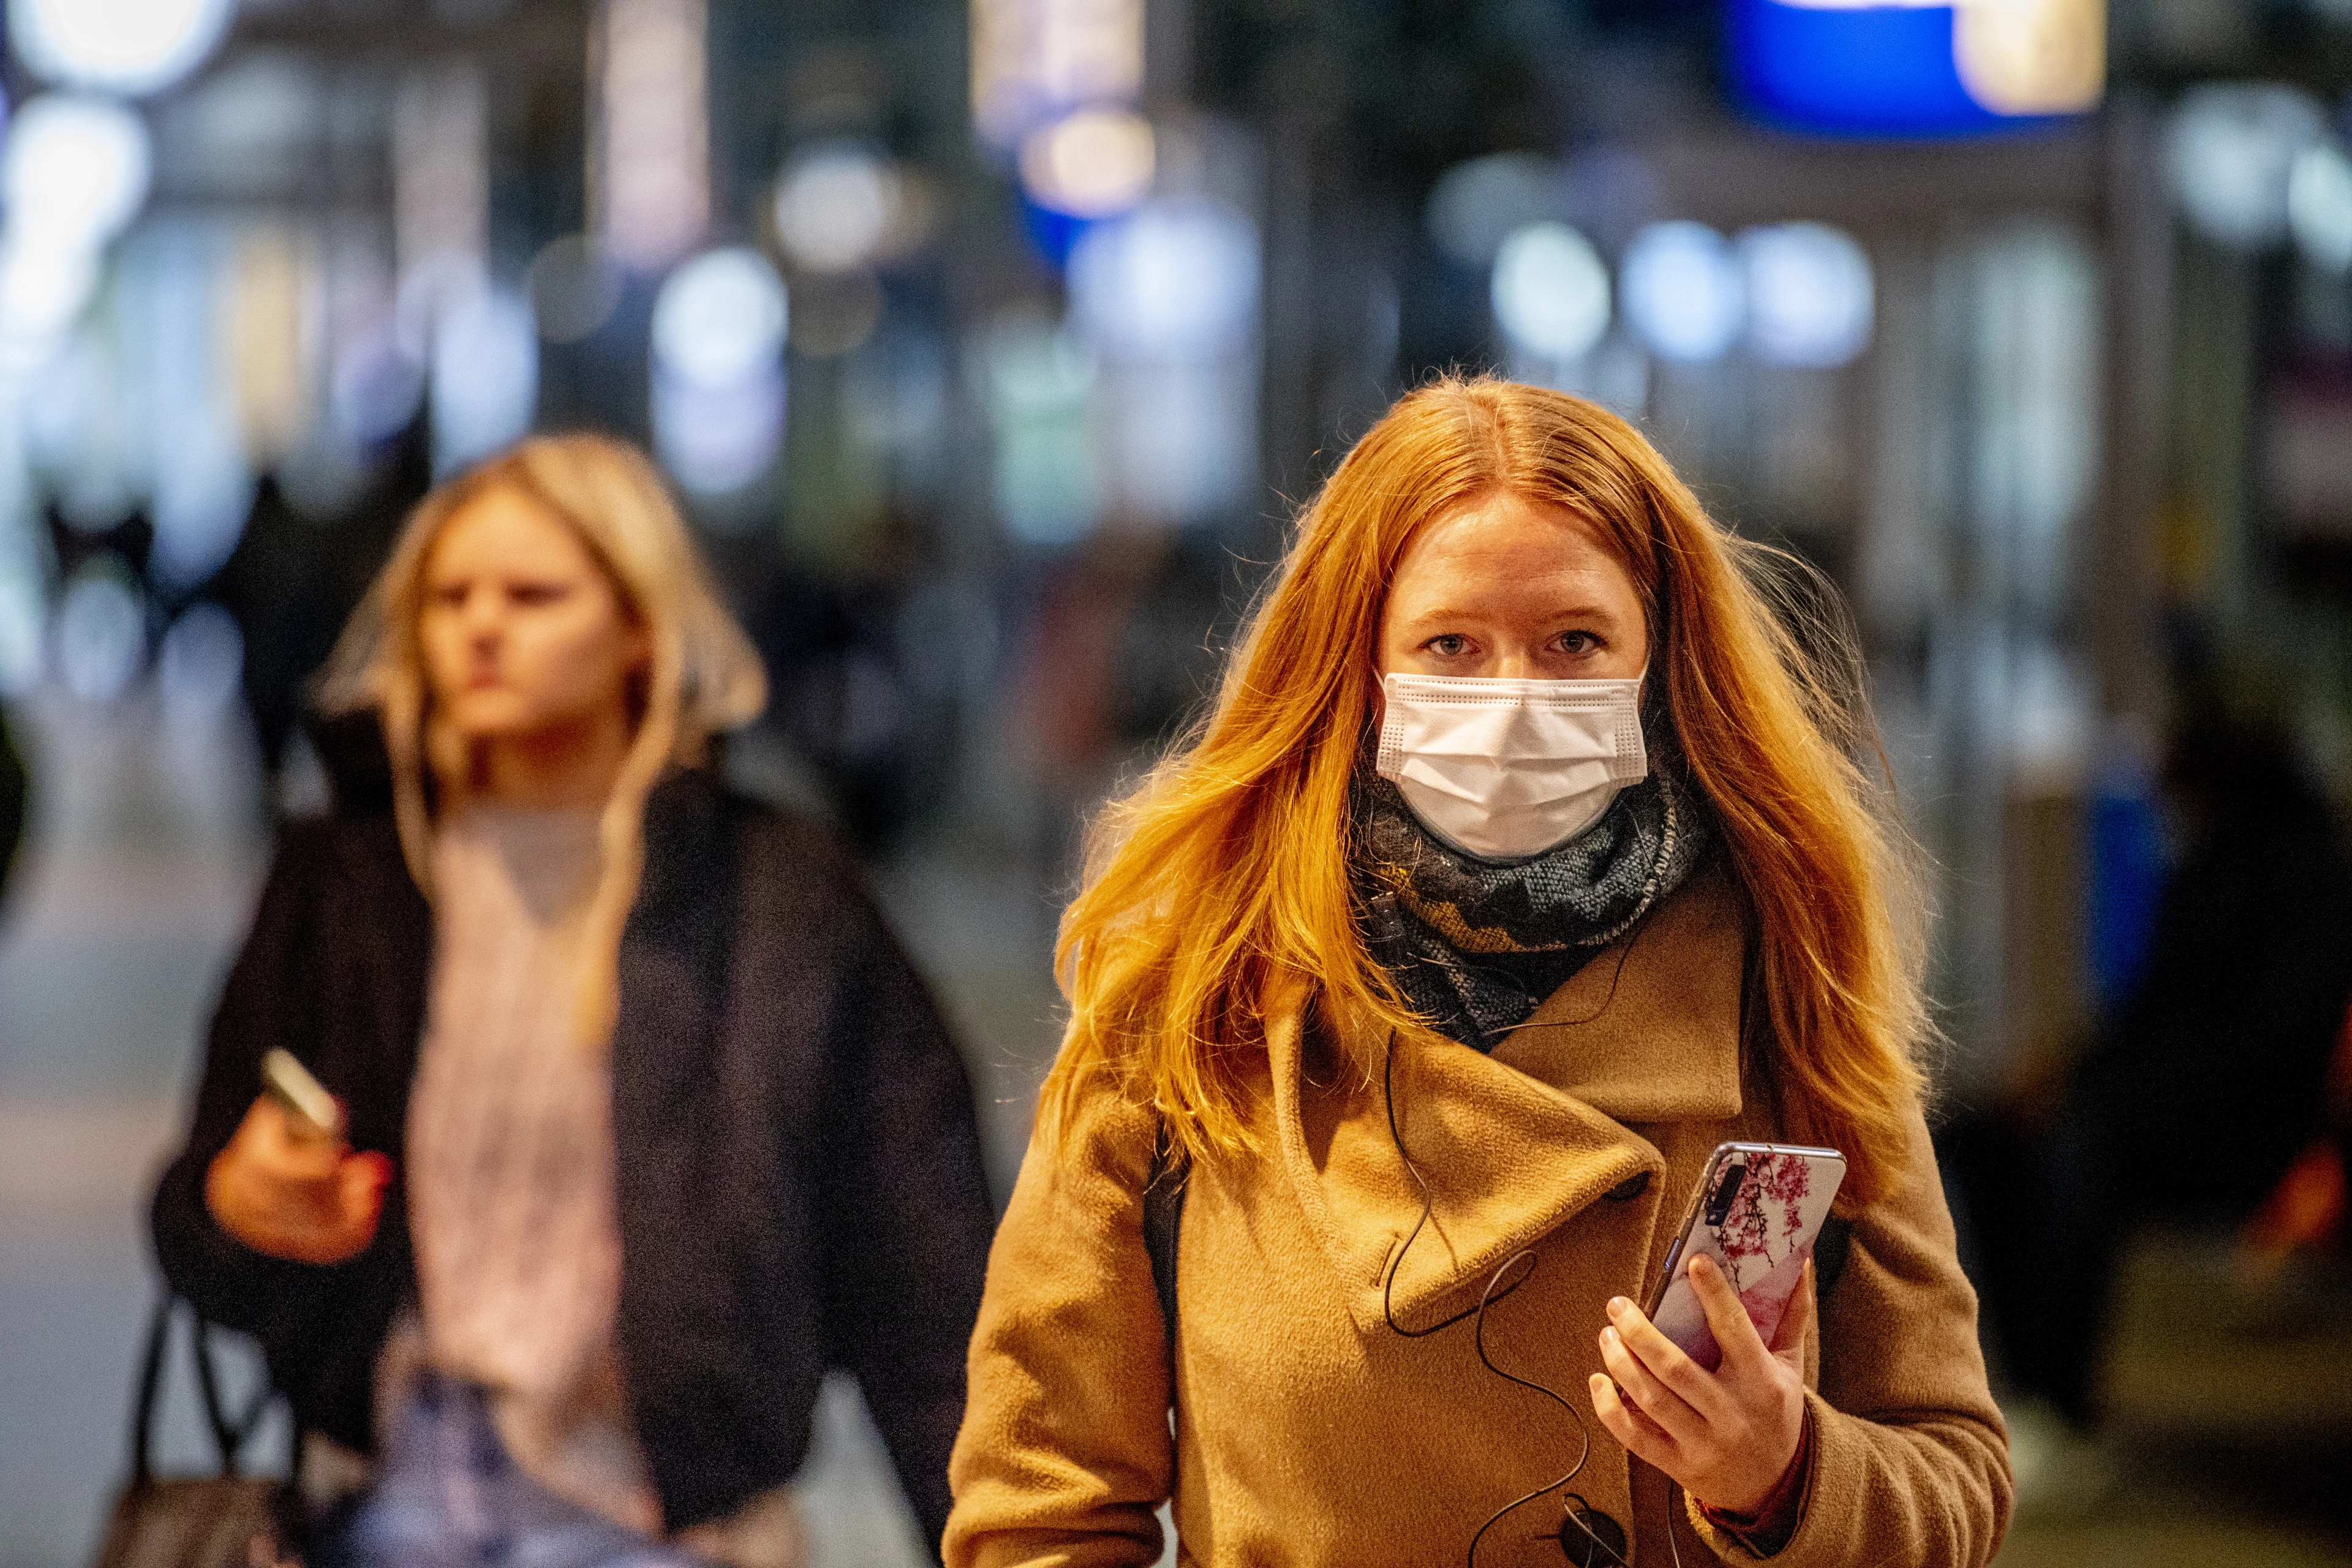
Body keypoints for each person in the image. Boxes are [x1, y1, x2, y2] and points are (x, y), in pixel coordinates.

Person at [945, 377, 2010, 1567]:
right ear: (1358, 666)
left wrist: (1785, 1472)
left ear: (1659, 662)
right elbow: (1037, 1504)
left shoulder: (1787, 985)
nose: (1513, 700)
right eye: (1452, 644)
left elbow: (1956, 1474)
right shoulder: (1197, 1000)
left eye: (1574, 642)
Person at [151, 434, 995, 1568]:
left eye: (533, 594)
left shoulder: (781, 894)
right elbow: (196, 1227)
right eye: (450, 598)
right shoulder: (345, 877)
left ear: (642, 630)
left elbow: (925, 1281)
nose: (482, 627)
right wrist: (240, 1204)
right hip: (381, 1507)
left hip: (667, 1524)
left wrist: (990, 1539)